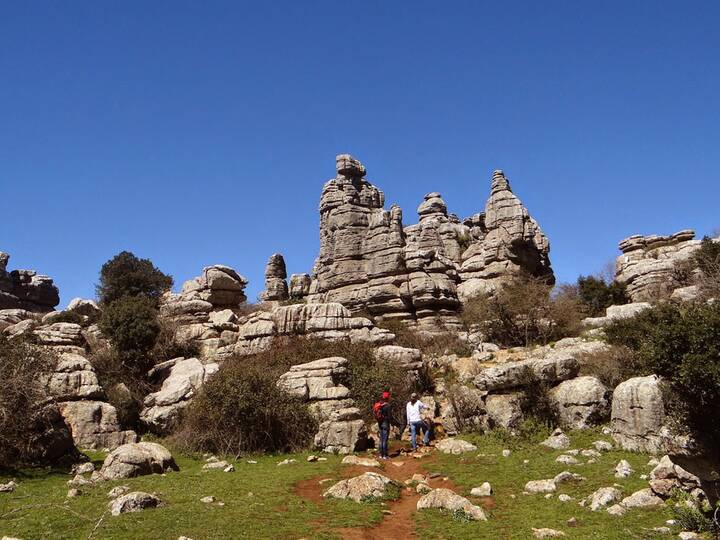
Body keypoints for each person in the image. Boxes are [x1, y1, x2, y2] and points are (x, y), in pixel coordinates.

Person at [373, 391, 392, 460]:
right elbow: (389, 416)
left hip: (380, 423)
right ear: (387, 398)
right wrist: (391, 423)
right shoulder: (388, 406)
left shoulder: (379, 405)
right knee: (385, 440)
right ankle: (385, 455)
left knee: (381, 439)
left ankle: (380, 455)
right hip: (386, 423)